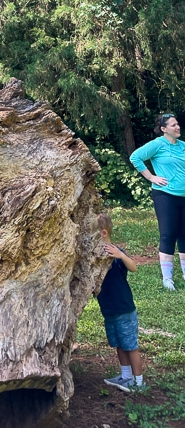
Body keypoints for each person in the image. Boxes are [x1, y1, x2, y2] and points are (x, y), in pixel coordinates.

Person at [129, 113, 185, 291]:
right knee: (168, 234)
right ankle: (167, 279)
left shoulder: (183, 146)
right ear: (163, 129)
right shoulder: (157, 144)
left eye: (177, 124)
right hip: (165, 195)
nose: (177, 127)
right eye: (173, 125)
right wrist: (151, 177)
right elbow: (135, 157)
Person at [97, 213, 145, 393]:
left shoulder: (117, 253)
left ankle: (138, 382)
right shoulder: (95, 256)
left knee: (130, 345)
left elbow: (133, 267)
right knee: (118, 343)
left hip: (124, 308)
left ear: (103, 233)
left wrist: (121, 255)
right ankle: (125, 376)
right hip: (108, 309)